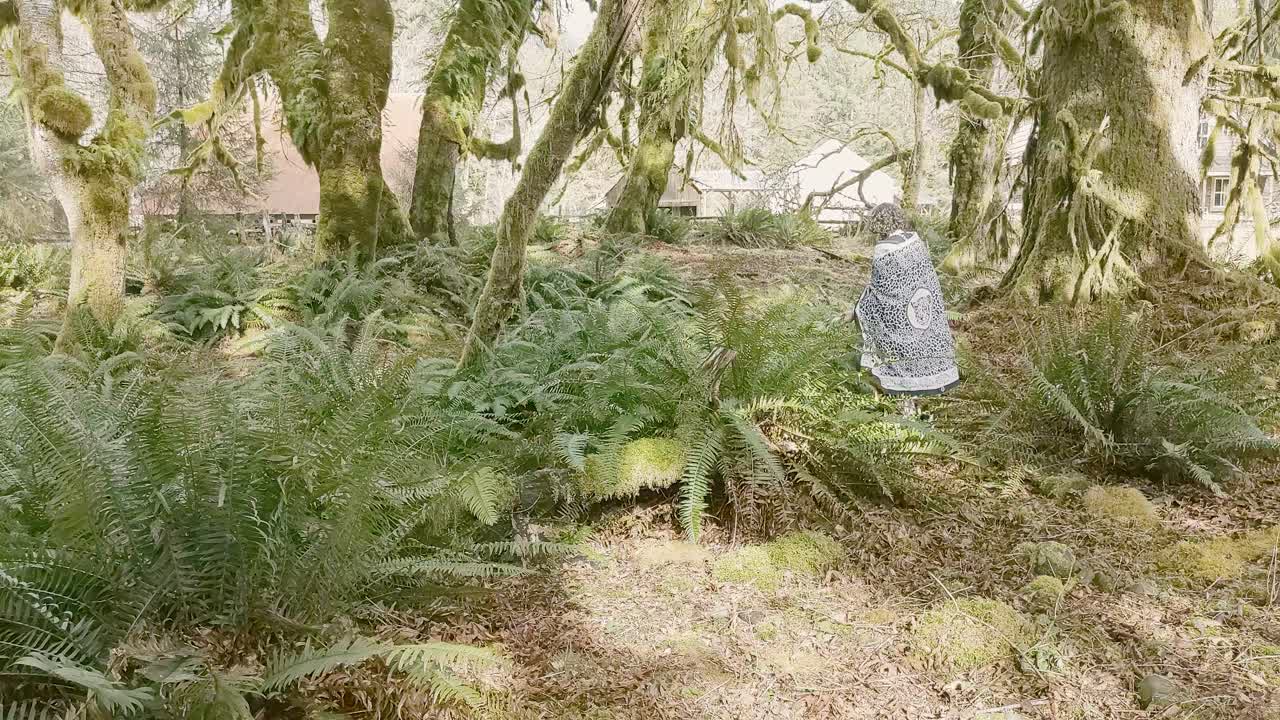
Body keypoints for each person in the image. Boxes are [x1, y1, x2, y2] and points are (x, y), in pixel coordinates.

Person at [848, 203, 959, 415]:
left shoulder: (883, 249)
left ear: (877, 223)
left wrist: (858, 308)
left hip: (897, 318)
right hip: (921, 316)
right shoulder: (915, 241)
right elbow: (926, 282)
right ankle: (917, 406)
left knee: (897, 360)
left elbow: (880, 290)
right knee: (914, 359)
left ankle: (905, 411)